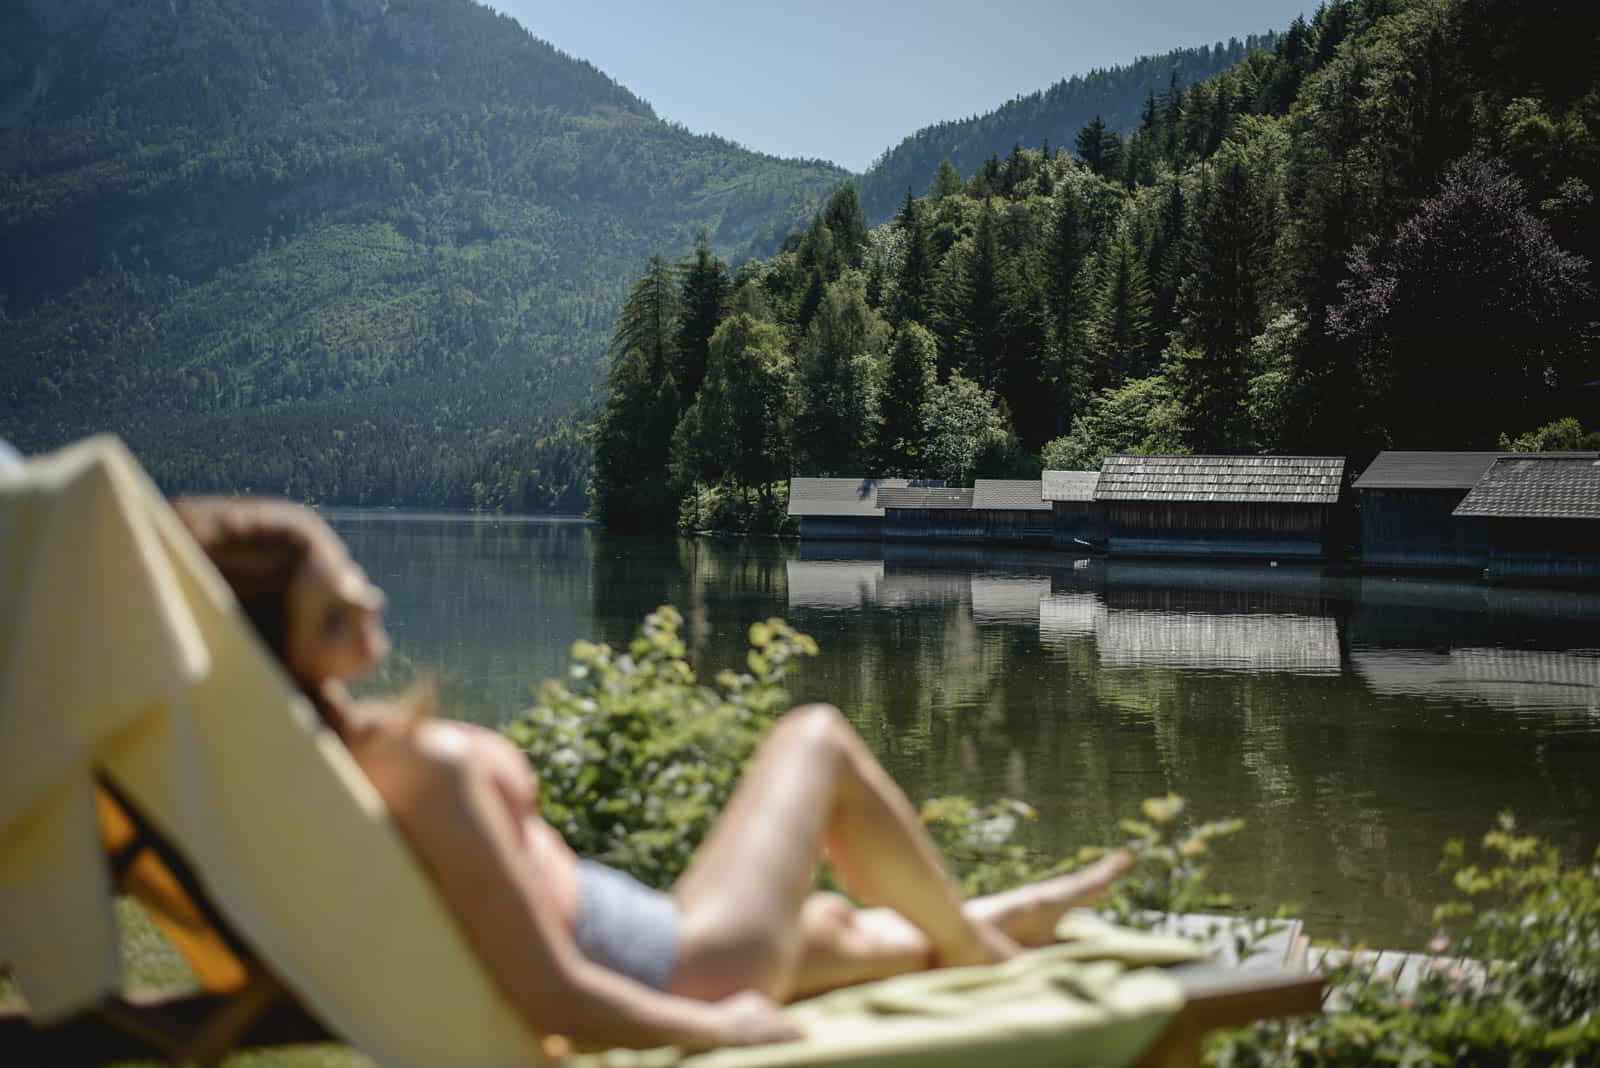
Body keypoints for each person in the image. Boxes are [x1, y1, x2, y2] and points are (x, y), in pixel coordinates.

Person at [174, 496, 1132, 1053]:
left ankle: (1010, 917)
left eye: (350, 577)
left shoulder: (336, 760)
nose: (370, 598)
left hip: (659, 931)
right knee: (814, 736)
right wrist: (724, 1033)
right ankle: (980, 954)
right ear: (294, 658)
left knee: (832, 926)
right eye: (337, 613)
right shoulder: (421, 770)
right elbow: (553, 999)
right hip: (683, 966)